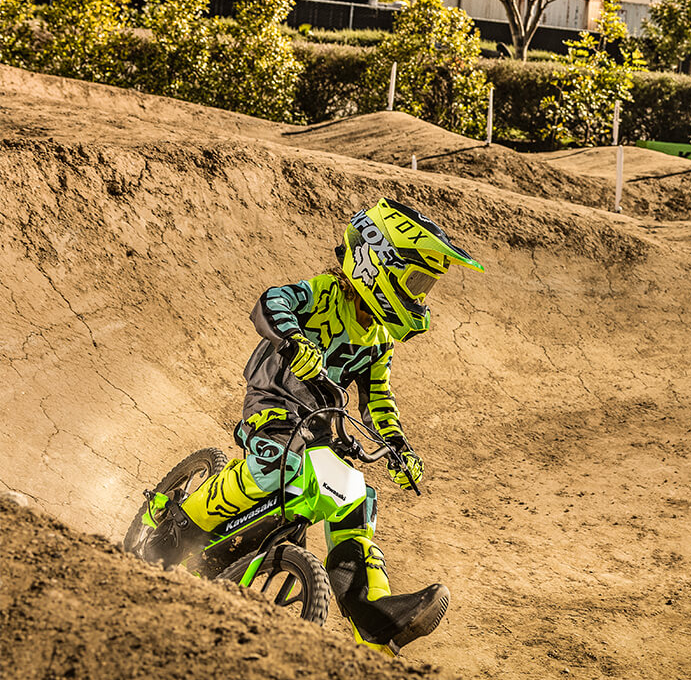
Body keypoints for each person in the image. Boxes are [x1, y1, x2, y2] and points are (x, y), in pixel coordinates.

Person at [141, 198, 485, 655]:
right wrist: (293, 338)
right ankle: (172, 532)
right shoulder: (325, 294)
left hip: (322, 423)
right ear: (378, 265)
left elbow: (378, 399)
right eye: (416, 282)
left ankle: (373, 615)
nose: (421, 296)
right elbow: (272, 301)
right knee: (276, 466)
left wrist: (399, 447)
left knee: (355, 496)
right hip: (274, 405)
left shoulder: (380, 339)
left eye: (426, 287)